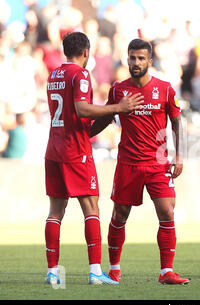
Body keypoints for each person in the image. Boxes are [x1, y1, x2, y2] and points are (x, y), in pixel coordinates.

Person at [44, 32, 143, 285]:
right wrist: (118, 108)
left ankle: (53, 271)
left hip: (53, 149)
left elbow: (77, 118)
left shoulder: (53, 75)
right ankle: (95, 271)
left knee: (56, 211)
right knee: (91, 208)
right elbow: (81, 109)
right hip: (74, 151)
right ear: (86, 52)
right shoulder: (81, 74)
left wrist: (105, 117)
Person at [91, 38, 189, 285]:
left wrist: (179, 155)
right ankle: (114, 269)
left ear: (149, 61)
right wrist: (84, 133)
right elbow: (106, 117)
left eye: (140, 58)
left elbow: (177, 122)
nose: (135, 62)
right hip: (128, 163)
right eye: (132, 57)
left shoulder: (165, 89)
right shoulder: (118, 90)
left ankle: (166, 271)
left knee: (167, 211)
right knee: (120, 215)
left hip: (158, 164)